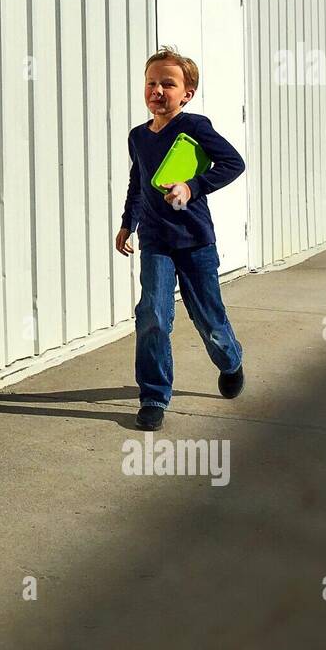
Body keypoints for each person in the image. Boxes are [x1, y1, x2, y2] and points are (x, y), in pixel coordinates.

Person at [115, 46, 246, 431]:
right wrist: (128, 223)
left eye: (167, 84)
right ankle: (154, 395)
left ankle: (231, 359)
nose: (157, 90)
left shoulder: (195, 127)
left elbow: (233, 163)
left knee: (209, 319)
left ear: (186, 93)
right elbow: (137, 184)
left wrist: (192, 186)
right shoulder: (138, 136)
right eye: (151, 83)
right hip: (156, 242)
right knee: (152, 315)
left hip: (194, 241)